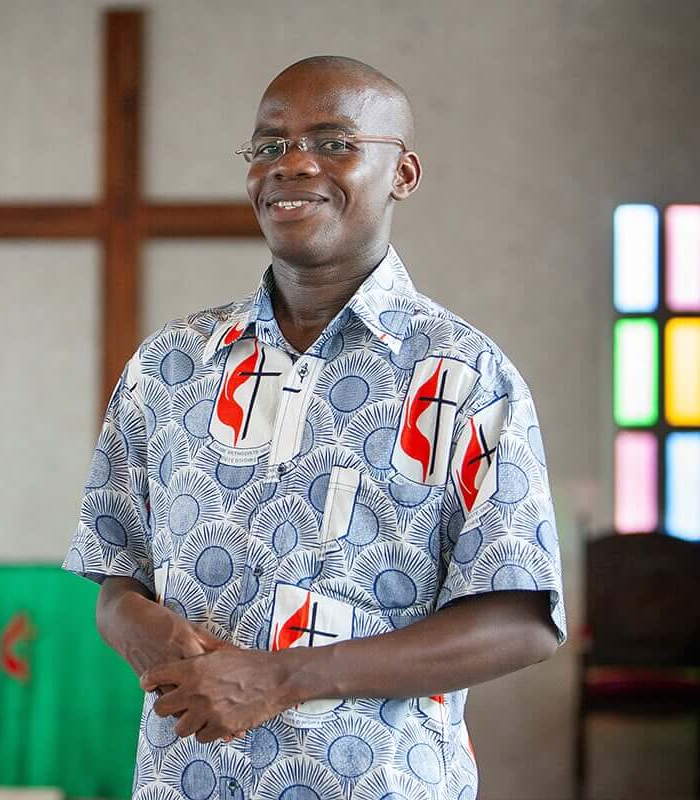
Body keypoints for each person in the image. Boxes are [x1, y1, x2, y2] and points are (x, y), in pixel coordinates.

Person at [62, 55, 565, 800]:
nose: (292, 164)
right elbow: (116, 579)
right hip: (187, 783)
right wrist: (136, 628)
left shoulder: (464, 378)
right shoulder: (168, 367)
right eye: (269, 146)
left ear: (403, 173)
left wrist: (282, 678)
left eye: (334, 143)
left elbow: (523, 621)